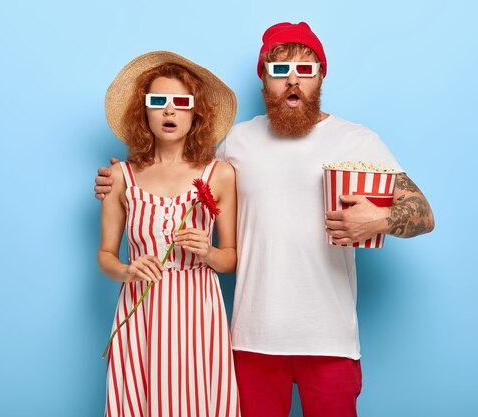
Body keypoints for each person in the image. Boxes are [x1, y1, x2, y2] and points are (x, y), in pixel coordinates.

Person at [96, 23, 434, 417]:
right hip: (252, 339)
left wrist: (379, 220)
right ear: (263, 79)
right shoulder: (236, 142)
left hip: (329, 340)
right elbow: (184, 172)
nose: (293, 81)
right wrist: (119, 179)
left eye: (305, 70)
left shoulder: (356, 140)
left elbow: (423, 213)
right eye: (280, 71)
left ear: (321, 76)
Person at [98, 50, 240, 417]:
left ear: (197, 112)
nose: (169, 111)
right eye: (158, 101)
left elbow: (231, 258)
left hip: (198, 312)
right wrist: (127, 271)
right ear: (144, 111)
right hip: (140, 310)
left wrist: (206, 253)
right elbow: (105, 257)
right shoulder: (119, 177)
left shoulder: (220, 174)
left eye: (181, 102)